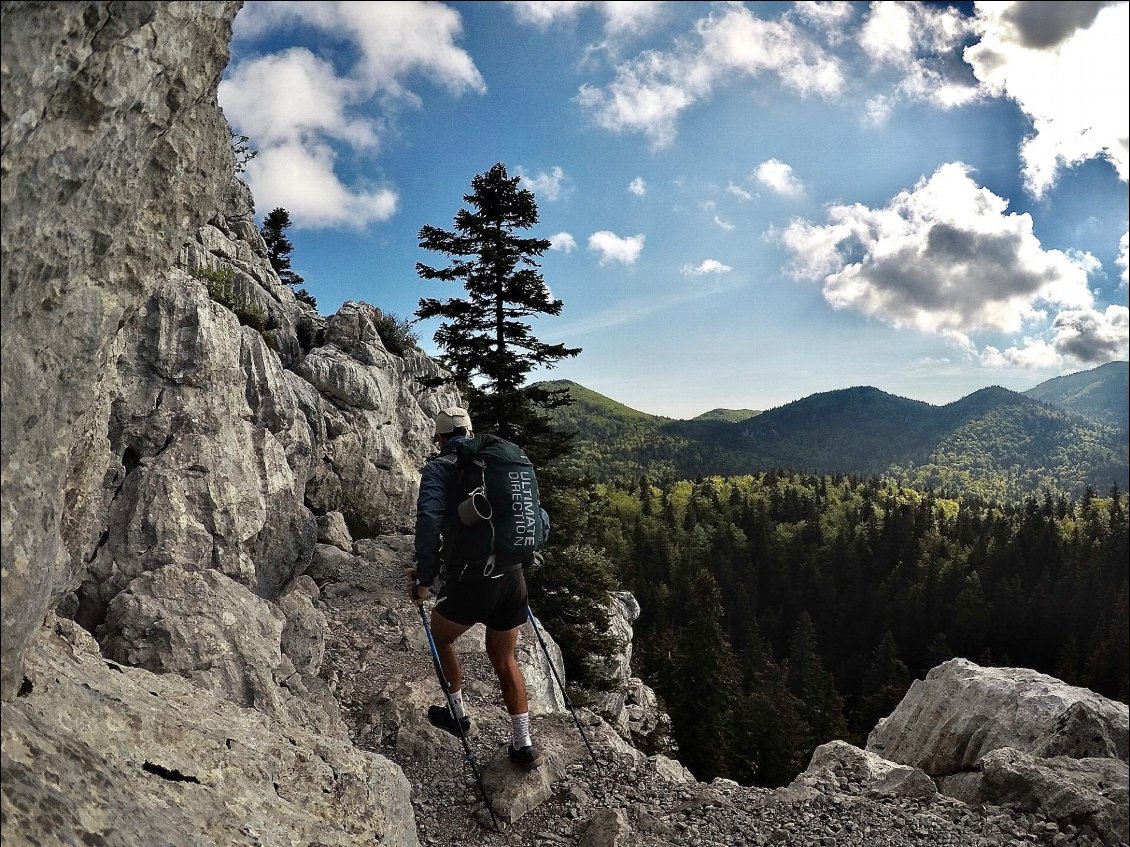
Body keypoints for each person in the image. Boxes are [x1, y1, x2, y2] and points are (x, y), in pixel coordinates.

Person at [407, 406, 545, 771]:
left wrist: (424, 577)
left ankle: (458, 714)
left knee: (441, 637)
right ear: (470, 432)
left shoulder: (439, 468)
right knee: (504, 659)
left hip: (472, 579)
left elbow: (429, 520)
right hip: (512, 577)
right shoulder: (497, 465)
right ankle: (523, 745)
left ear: (440, 438)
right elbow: (537, 516)